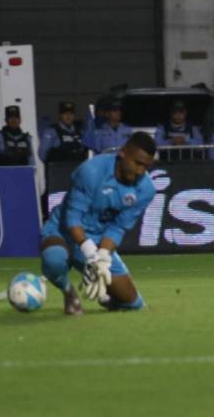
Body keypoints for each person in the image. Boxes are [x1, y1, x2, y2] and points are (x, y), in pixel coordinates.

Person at [40, 131, 157, 314]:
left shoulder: (146, 190)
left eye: (146, 166)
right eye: (137, 163)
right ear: (123, 153)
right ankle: (68, 292)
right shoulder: (91, 171)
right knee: (54, 260)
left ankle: (112, 301)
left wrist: (102, 256)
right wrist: (89, 254)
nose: (141, 171)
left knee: (134, 305)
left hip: (97, 238)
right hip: (62, 230)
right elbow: (72, 218)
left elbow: (117, 227)